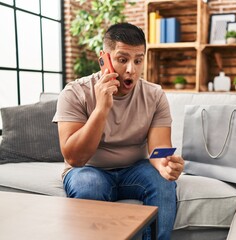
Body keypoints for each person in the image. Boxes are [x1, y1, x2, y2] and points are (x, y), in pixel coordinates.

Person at [53, 22, 184, 240]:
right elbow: (74, 158)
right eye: (122, 60)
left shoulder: (154, 95)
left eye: (138, 60)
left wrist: (165, 164)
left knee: (164, 184)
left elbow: (158, 148)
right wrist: (101, 109)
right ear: (104, 59)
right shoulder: (75, 92)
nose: (131, 69)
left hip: (135, 168)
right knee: (90, 184)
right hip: (89, 169)